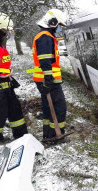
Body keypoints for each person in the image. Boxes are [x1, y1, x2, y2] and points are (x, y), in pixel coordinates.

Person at [0, 13, 28, 143]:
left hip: (6, 82)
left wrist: (8, 73)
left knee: (15, 109)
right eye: (5, 30)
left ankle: (21, 135)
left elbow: (0, 63)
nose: (6, 33)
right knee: (0, 111)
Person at [28, 9, 67, 139]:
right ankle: (56, 134)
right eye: (59, 25)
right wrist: (49, 79)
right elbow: (44, 60)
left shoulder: (43, 36)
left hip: (44, 80)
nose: (60, 29)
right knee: (59, 108)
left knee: (48, 108)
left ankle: (49, 134)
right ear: (53, 22)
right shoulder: (45, 37)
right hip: (48, 80)